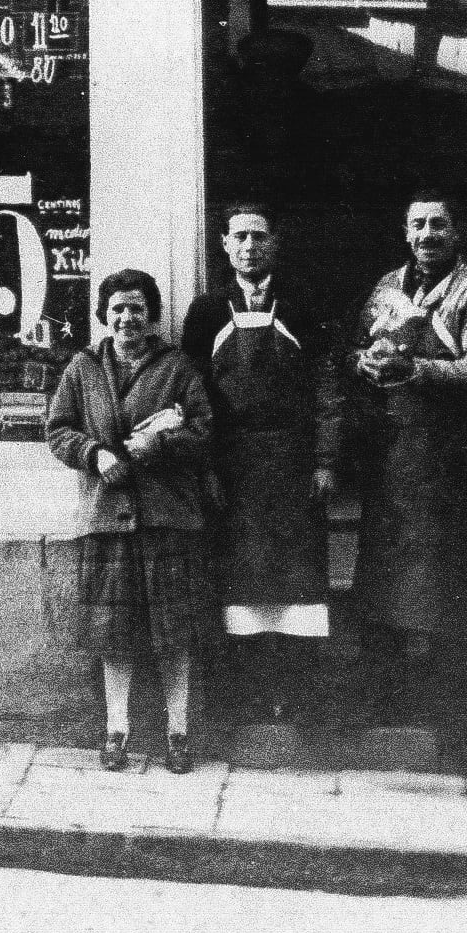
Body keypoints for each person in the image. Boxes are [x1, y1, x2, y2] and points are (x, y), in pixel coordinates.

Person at [46, 269, 215, 775]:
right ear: (104, 314)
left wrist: (158, 443)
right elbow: (57, 430)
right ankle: (115, 732)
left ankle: (178, 735)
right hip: (107, 520)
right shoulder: (82, 369)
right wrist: (95, 454)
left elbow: (207, 432)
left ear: (153, 315)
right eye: (117, 309)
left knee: (173, 632)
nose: (127, 319)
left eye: (137, 309)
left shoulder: (179, 369)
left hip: (168, 517)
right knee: (113, 633)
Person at [348, 191, 467, 731]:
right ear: (405, 232)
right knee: (384, 577)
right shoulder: (385, 289)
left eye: (439, 224)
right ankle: (382, 702)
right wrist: (367, 363)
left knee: (450, 582)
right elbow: (358, 349)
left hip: (451, 461)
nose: (428, 234)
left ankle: (452, 719)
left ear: (456, 233)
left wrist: (413, 368)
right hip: (393, 456)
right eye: (418, 224)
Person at [182, 200, 342, 724]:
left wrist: (325, 459)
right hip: (232, 468)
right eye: (239, 237)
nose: (249, 247)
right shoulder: (207, 313)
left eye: (259, 236)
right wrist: (204, 468)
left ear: (275, 242)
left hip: (294, 466)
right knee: (239, 581)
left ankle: (299, 697)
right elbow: (191, 395)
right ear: (225, 245)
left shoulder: (303, 306)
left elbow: (326, 388)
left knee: (297, 581)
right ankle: (243, 699)